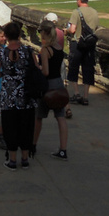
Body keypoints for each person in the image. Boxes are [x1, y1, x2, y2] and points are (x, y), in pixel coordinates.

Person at [0, 22, 40, 170]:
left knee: (10, 127)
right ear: (19, 34)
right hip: (26, 96)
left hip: (8, 97)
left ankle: (12, 159)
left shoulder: (1, 53)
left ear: (5, 36)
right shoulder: (28, 51)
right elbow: (36, 69)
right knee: (26, 127)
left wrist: (6, 74)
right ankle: (25, 158)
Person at [34, 20, 69, 160]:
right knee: (60, 117)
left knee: (39, 117)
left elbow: (46, 72)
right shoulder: (58, 48)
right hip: (58, 83)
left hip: (47, 86)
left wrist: (37, 67)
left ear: (44, 32)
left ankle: (33, 144)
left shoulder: (45, 50)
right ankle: (63, 149)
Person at [65, 0, 100, 106]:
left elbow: (73, 29)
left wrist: (66, 30)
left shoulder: (77, 12)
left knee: (73, 68)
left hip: (77, 43)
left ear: (79, 0)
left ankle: (76, 93)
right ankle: (85, 96)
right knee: (88, 69)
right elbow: (96, 28)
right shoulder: (94, 12)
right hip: (90, 44)